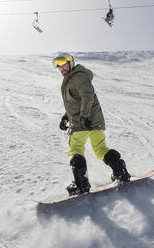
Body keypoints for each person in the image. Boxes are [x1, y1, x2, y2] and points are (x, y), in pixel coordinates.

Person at [52, 53, 130, 196]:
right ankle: (120, 171)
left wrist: (84, 117)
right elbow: (74, 103)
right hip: (93, 120)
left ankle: (81, 184)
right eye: (58, 66)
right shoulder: (72, 78)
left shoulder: (78, 76)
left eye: (63, 64)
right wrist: (65, 117)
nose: (61, 68)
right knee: (100, 148)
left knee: (75, 148)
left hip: (84, 120)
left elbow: (87, 96)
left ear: (71, 62)